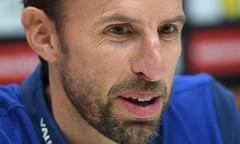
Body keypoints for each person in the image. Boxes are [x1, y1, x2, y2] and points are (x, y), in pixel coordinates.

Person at [0, 0, 239, 144]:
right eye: (119, 31)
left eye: (167, 29)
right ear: (44, 36)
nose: (155, 71)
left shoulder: (208, 111)